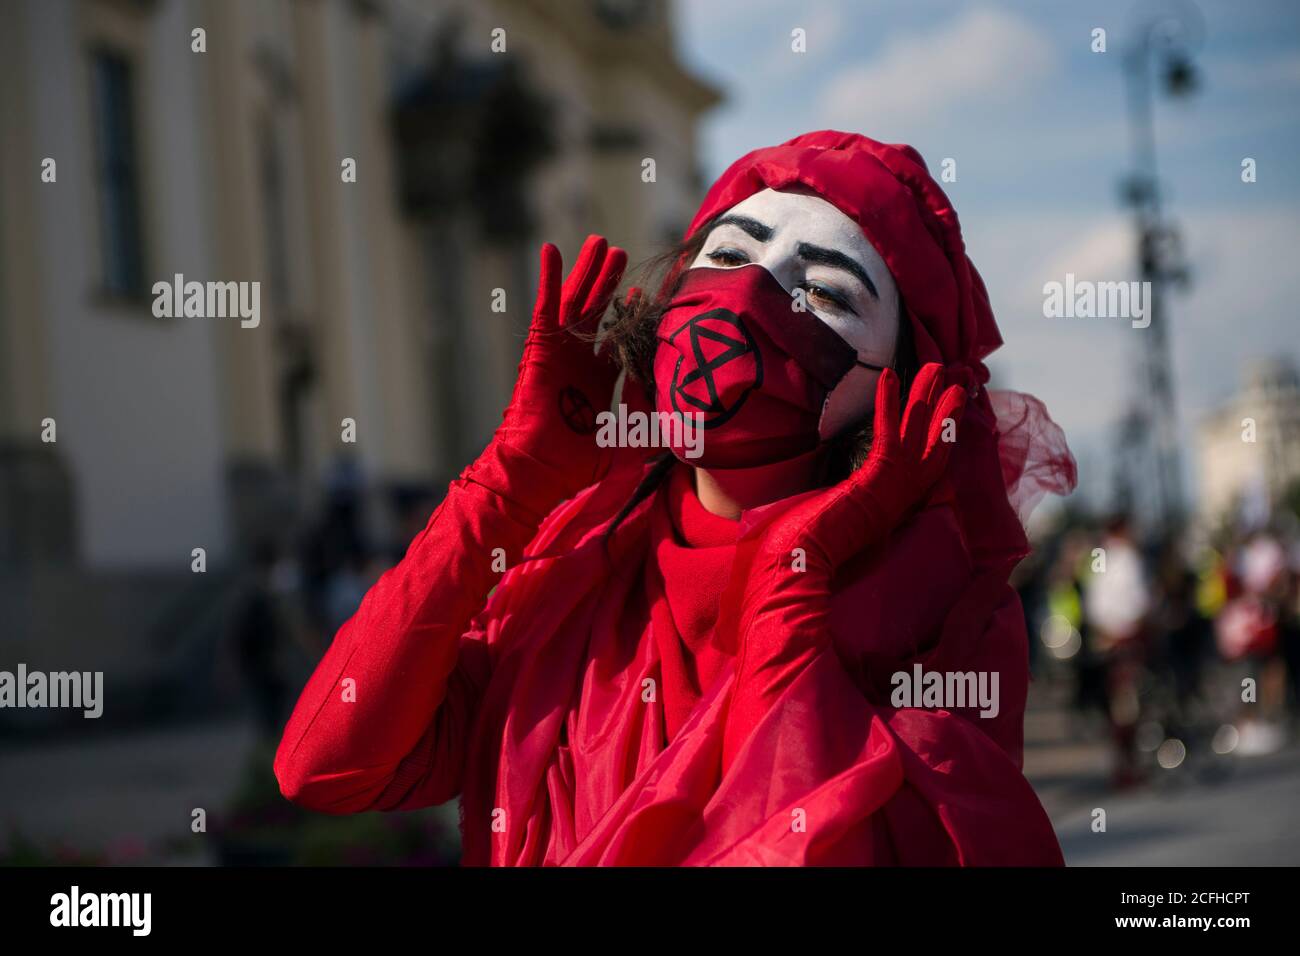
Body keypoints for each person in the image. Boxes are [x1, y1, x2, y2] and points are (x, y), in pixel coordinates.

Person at [274, 131, 1076, 865]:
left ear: (899, 390)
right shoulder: (568, 578)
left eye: (827, 293)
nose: (753, 294)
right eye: (728, 254)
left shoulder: (936, 620)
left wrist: (794, 571)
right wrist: (512, 480)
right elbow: (328, 766)